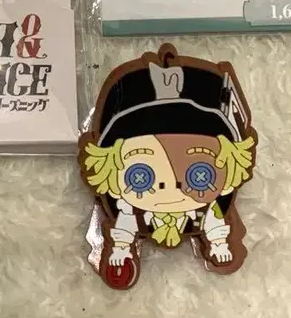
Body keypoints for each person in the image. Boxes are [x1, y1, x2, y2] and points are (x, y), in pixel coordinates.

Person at [79, 44, 256, 290]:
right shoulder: (131, 211)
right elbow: (125, 227)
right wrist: (121, 250)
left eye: (199, 174)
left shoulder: (206, 211)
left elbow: (214, 222)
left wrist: (219, 244)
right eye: (141, 175)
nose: (169, 184)